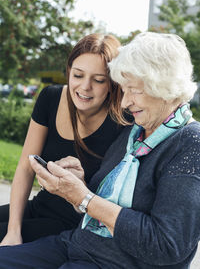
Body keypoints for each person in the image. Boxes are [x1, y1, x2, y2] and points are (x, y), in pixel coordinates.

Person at [0, 31, 199, 269]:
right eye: (124, 91)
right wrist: (80, 184)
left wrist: (84, 197)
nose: (125, 103)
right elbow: (98, 202)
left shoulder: (190, 143)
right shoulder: (134, 132)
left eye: (134, 90)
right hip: (75, 244)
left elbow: (168, 245)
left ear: (164, 87)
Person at [0, 33, 130, 246]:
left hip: (74, 225)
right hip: (38, 207)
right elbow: (26, 167)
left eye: (98, 80)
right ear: (69, 71)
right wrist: (14, 230)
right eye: (78, 75)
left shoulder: (123, 121)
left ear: (112, 83)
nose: (85, 87)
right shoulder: (50, 98)